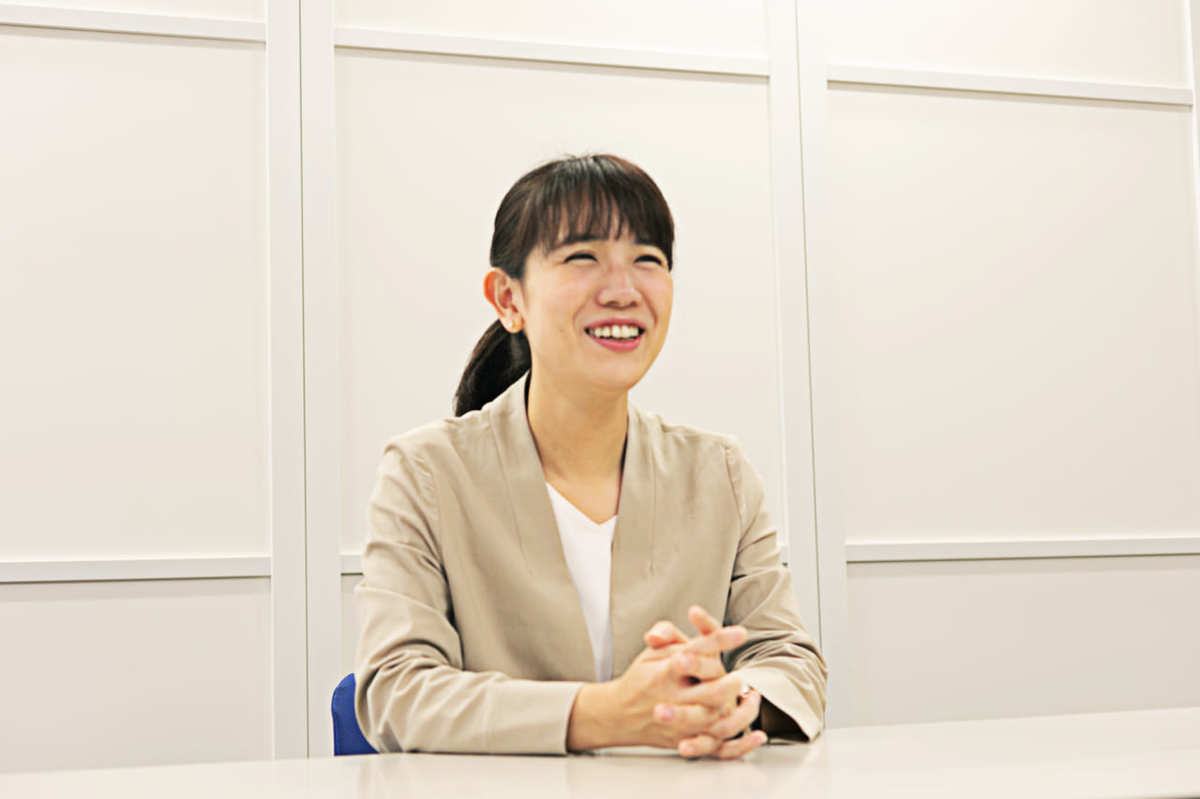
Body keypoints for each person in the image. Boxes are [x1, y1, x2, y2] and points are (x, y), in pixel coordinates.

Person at [354, 153, 828, 759]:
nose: (623, 291)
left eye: (647, 260)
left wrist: (732, 702)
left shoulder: (720, 474)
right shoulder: (425, 473)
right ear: (508, 299)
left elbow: (790, 661)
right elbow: (396, 691)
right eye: (583, 257)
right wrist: (606, 715)